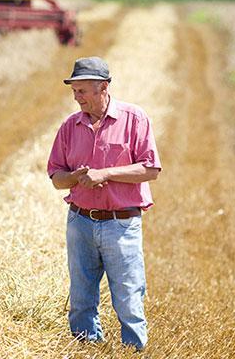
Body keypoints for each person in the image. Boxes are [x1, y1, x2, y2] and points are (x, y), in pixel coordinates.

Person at [47, 57, 161, 351]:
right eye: (74, 91)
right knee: (82, 299)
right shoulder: (70, 126)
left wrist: (105, 174)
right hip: (80, 222)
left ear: (103, 88)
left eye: (82, 91)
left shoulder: (135, 119)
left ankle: (134, 352)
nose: (77, 97)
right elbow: (56, 177)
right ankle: (86, 350)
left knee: (128, 298)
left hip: (121, 224)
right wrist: (74, 177)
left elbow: (150, 170)